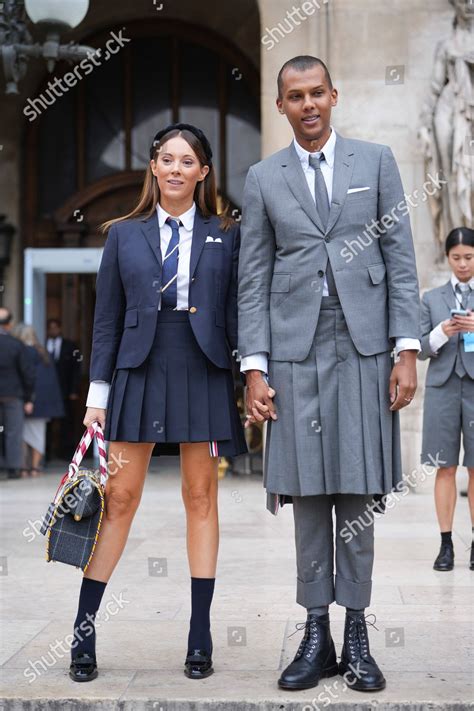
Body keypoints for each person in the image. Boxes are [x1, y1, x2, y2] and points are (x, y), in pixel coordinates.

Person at [238, 56, 420, 692]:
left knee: (359, 492)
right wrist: (254, 368)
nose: (308, 103)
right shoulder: (263, 177)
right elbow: (253, 277)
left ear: (334, 96)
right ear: (282, 105)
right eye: (296, 95)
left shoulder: (375, 162)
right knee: (308, 493)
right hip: (292, 354)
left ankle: (359, 630)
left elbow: (400, 261)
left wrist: (406, 350)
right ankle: (315, 630)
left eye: (317, 92)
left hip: (366, 350)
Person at [71, 123, 247, 683]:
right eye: (166, 158)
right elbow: (104, 321)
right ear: (154, 168)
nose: (175, 168)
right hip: (137, 369)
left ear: (203, 172)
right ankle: (83, 628)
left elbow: (243, 310)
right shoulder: (123, 234)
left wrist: (253, 375)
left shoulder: (228, 232)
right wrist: (97, 394)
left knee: (201, 495)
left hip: (205, 368)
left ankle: (199, 634)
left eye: (187, 160)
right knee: (120, 498)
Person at [418, 227, 474, 572]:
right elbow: (420, 348)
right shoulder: (432, 298)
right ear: (447, 258)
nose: (463, 264)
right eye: (457, 258)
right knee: (445, 466)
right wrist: (443, 331)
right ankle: (446, 543)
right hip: (442, 387)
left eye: (469, 257)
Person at [12, 323, 65, 477]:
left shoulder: (23, 352)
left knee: (21, 436)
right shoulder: (43, 352)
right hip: (44, 402)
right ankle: (35, 467)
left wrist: (28, 399)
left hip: (27, 401)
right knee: (38, 435)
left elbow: (27, 378)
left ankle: (24, 468)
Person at [0, 308, 35, 479]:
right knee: (13, 432)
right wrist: (29, 397)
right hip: (13, 395)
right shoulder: (16, 345)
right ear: (9, 325)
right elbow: (27, 373)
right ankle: (13, 468)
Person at [45, 318, 81, 459]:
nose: (53, 330)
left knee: (67, 423)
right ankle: (47, 452)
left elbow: (76, 369)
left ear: (59, 329)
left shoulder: (70, 346)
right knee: (48, 422)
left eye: (55, 327)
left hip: (65, 391)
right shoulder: (42, 345)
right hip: (47, 392)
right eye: (50, 328)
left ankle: (66, 452)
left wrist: (73, 390)